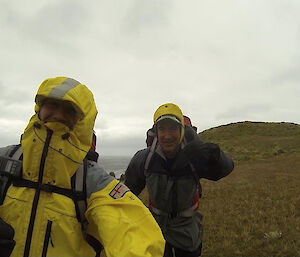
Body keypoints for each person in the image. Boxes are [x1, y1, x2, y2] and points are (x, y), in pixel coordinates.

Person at [0, 77, 165, 257]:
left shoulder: (93, 181)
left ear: (82, 121)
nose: (59, 114)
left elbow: (133, 231)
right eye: (53, 105)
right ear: (39, 108)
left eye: (70, 110)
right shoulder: (4, 160)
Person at [125, 103, 234, 257]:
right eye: (162, 129)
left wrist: (216, 156)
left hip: (187, 227)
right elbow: (128, 193)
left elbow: (226, 169)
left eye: (173, 128)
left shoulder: (194, 155)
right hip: (155, 227)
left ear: (182, 130)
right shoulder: (145, 159)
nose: (167, 135)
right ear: (155, 132)